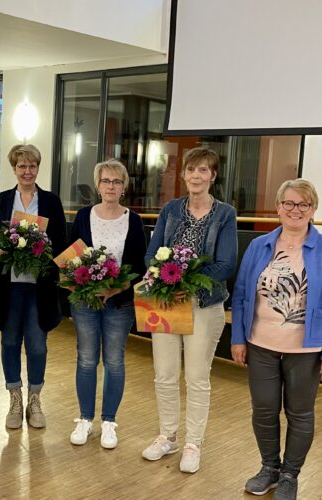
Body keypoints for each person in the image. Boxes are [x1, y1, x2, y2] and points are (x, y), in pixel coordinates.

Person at [141, 147, 237, 473]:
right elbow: (151, 255)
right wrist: (166, 279)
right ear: (183, 174)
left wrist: (185, 281)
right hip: (167, 301)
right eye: (191, 170)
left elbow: (226, 264)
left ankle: (193, 444)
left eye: (203, 170)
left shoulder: (225, 214)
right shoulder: (170, 209)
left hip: (204, 305)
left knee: (196, 377)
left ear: (213, 176)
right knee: (165, 374)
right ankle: (167, 437)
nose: (196, 176)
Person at [231, 179, 322, 500]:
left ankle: (289, 476)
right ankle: (269, 468)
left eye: (303, 204)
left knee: (300, 414)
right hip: (260, 344)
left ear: (313, 209)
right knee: (264, 410)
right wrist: (238, 338)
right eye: (289, 203)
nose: (295, 210)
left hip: (306, 349)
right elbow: (241, 294)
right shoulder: (260, 245)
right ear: (278, 207)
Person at [0, 144, 66, 429]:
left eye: (32, 166)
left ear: (38, 168)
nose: (27, 171)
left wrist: (46, 252)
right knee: (9, 343)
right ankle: (15, 400)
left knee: (38, 346)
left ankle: (35, 400)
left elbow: (61, 242)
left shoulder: (51, 201)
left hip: (39, 288)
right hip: (9, 287)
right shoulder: (2, 199)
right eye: (22, 166)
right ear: (14, 169)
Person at [68, 159, 146, 449]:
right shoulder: (83, 216)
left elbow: (139, 265)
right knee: (87, 359)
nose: (111, 186)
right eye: (106, 181)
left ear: (124, 187)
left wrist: (118, 287)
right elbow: (71, 255)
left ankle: (109, 422)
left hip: (120, 302)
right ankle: (85, 419)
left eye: (116, 181)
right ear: (97, 185)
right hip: (85, 300)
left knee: (114, 361)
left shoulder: (133, 220)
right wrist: (82, 283)